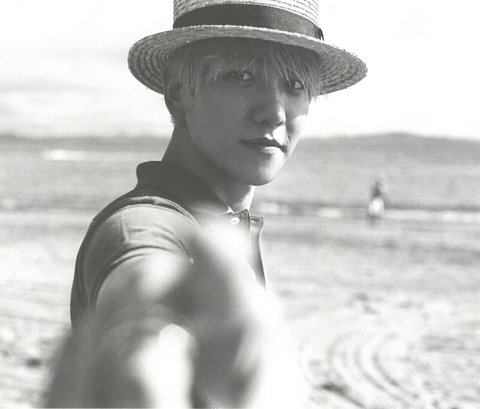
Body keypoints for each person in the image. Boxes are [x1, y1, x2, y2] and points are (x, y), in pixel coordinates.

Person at [45, 0, 367, 407]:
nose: (274, 111)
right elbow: (140, 269)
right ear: (177, 92)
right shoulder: (141, 223)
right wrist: (141, 334)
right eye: (242, 75)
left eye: (295, 84)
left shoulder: (225, 221)